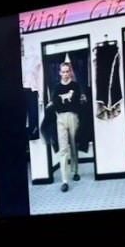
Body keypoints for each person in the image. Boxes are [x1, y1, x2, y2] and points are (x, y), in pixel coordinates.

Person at [47, 62, 83, 192]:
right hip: (61, 118)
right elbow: (55, 103)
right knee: (63, 149)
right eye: (63, 72)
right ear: (60, 73)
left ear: (70, 72)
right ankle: (65, 180)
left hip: (73, 116)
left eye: (67, 71)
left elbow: (77, 102)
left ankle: (75, 171)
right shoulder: (56, 87)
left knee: (73, 145)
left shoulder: (75, 86)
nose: (66, 74)